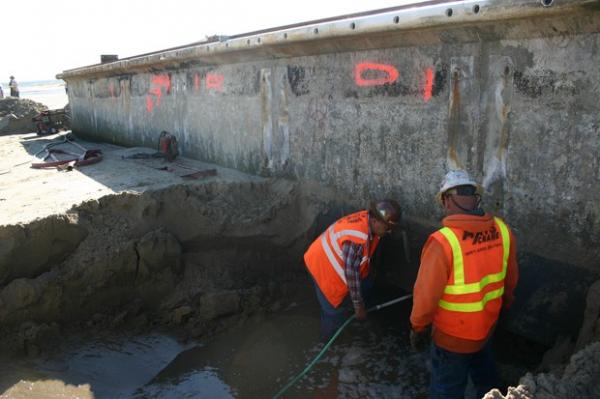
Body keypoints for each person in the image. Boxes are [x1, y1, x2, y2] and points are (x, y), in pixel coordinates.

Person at [409, 170, 518, 399]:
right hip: (487, 327)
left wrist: (418, 327)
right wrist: (504, 308)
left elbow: (425, 298)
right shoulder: (502, 230)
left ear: (448, 200)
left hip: (452, 338)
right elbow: (511, 280)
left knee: (446, 391)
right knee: (487, 382)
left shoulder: (442, 242)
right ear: (475, 197)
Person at [304, 200, 402, 340]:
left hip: (330, 256)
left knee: (366, 284)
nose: (389, 231)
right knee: (334, 313)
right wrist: (358, 306)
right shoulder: (357, 239)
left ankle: (359, 312)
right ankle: (328, 343)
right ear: (375, 221)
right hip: (323, 269)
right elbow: (351, 273)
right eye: (387, 228)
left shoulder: (368, 220)